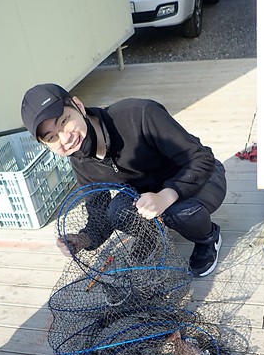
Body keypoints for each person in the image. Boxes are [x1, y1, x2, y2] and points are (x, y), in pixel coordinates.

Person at [21, 83, 227, 276]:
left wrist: (167, 196)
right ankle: (151, 237)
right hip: (150, 192)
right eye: (51, 137)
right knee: (117, 210)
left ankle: (208, 238)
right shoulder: (79, 160)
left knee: (178, 211)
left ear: (78, 106)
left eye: (64, 121)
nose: (65, 139)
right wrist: (83, 239)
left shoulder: (139, 114)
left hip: (202, 177)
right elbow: (99, 212)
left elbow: (201, 158)